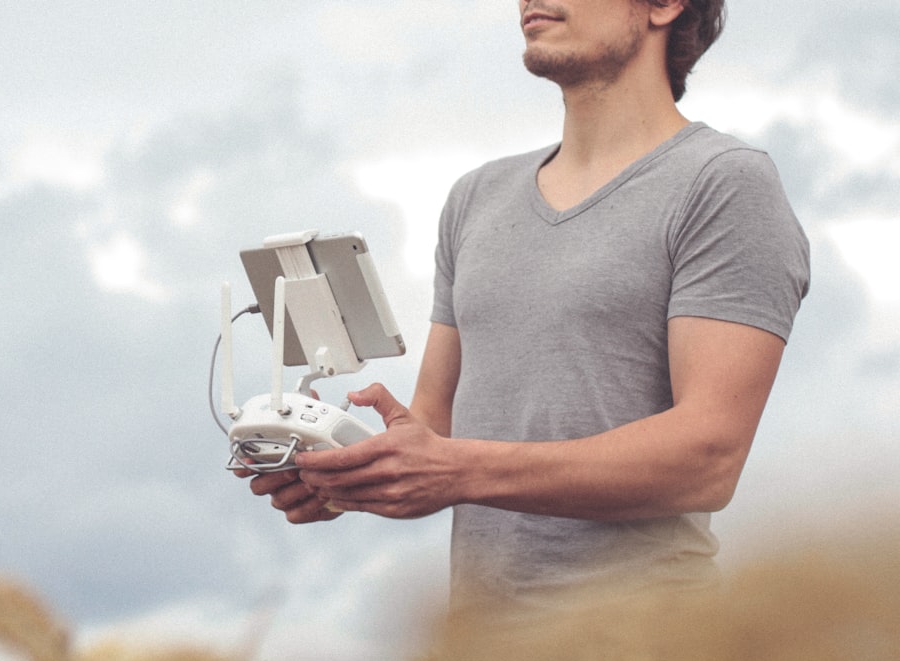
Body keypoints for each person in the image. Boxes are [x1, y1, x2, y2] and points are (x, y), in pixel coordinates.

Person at [236, 0, 810, 614]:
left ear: (666, 5)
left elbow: (708, 459)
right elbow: (435, 432)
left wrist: (457, 469)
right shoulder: (475, 198)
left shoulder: (723, 183)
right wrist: (340, 472)